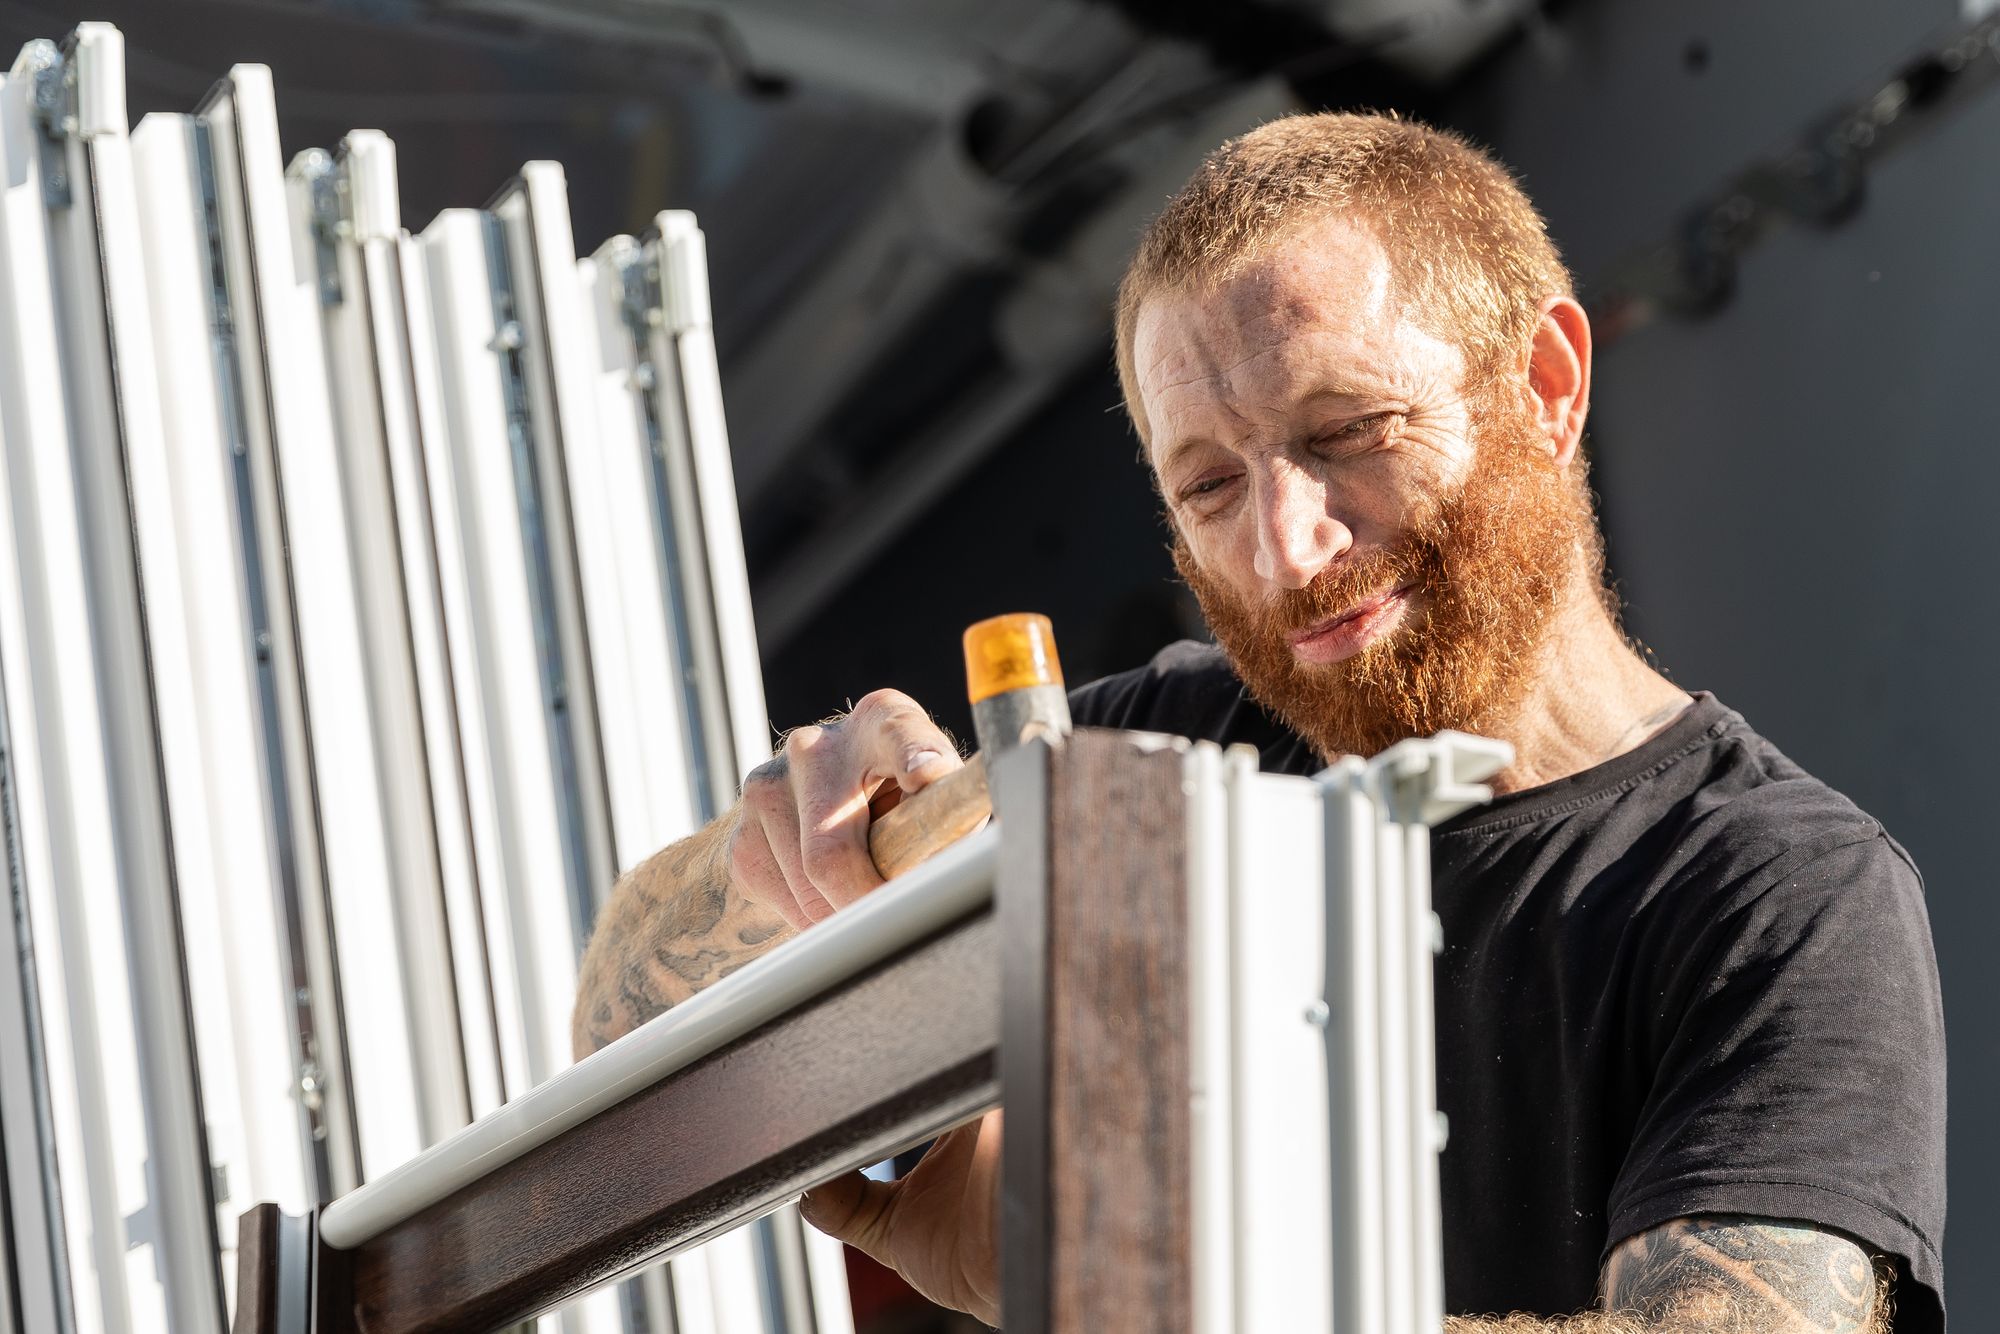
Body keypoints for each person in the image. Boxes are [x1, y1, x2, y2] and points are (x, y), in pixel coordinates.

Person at [572, 113, 1945, 1332]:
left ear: (1543, 384)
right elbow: (615, 1048)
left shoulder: (1782, 895)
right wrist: (855, 854)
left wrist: (1134, 1290)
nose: (1288, 549)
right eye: (1209, 485)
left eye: (1348, 427)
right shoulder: (1148, 761)